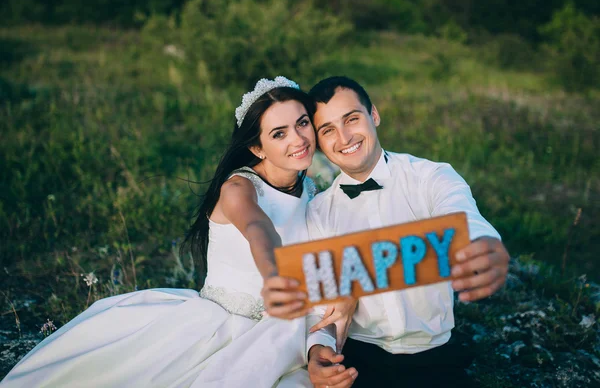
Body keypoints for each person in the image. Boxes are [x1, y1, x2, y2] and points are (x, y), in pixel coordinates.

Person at [1, 77, 336, 388]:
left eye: (302, 123)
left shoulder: (311, 190)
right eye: (279, 133)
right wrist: (274, 274)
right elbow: (258, 228)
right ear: (257, 148)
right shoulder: (239, 187)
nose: (298, 139)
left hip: (281, 329)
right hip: (219, 326)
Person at [263, 76, 510, 388]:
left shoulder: (431, 176)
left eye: (351, 119)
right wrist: (319, 350)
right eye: (328, 130)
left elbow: (463, 217)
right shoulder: (318, 212)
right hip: (360, 359)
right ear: (319, 142)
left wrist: (483, 244)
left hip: (434, 355)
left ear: (374, 115)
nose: (344, 137)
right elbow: (319, 307)